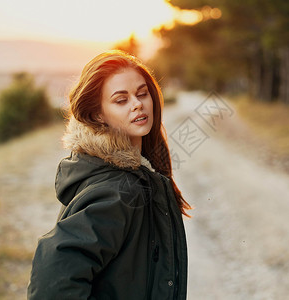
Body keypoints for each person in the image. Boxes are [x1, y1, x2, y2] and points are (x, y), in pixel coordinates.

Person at [27, 50, 191, 300]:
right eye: (121, 100)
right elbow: (52, 284)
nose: (137, 104)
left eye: (142, 93)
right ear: (98, 115)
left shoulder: (137, 174)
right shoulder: (118, 190)